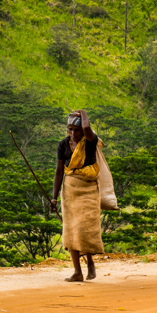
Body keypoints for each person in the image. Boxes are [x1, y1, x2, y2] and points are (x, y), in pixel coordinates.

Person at [49, 109, 104, 282]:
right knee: (71, 229)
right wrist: (54, 197)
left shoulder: (90, 142)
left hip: (88, 189)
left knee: (85, 227)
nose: (73, 133)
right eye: (70, 129)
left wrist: (83, 113)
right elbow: (59, 172)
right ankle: (77, 271)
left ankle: (90, 261)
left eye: (77, 130)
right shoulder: (63, 145)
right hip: (70, 190)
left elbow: (88, 129)